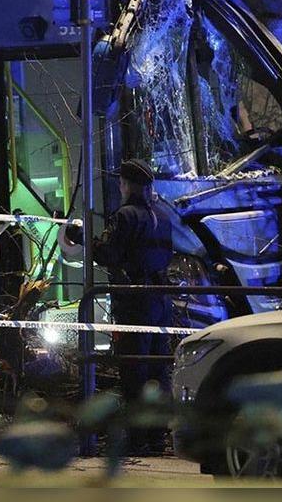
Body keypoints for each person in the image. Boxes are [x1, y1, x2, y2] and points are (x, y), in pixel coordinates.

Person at [62, 158, 176, 404]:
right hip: (161, 298)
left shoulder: (125, 215)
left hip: (135, 301)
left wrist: (81, 238)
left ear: (125, 185)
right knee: (158, 367)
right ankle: (160, 423)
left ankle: (137, 425)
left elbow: (108, 254)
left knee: (134, 368)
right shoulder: (163, 216)